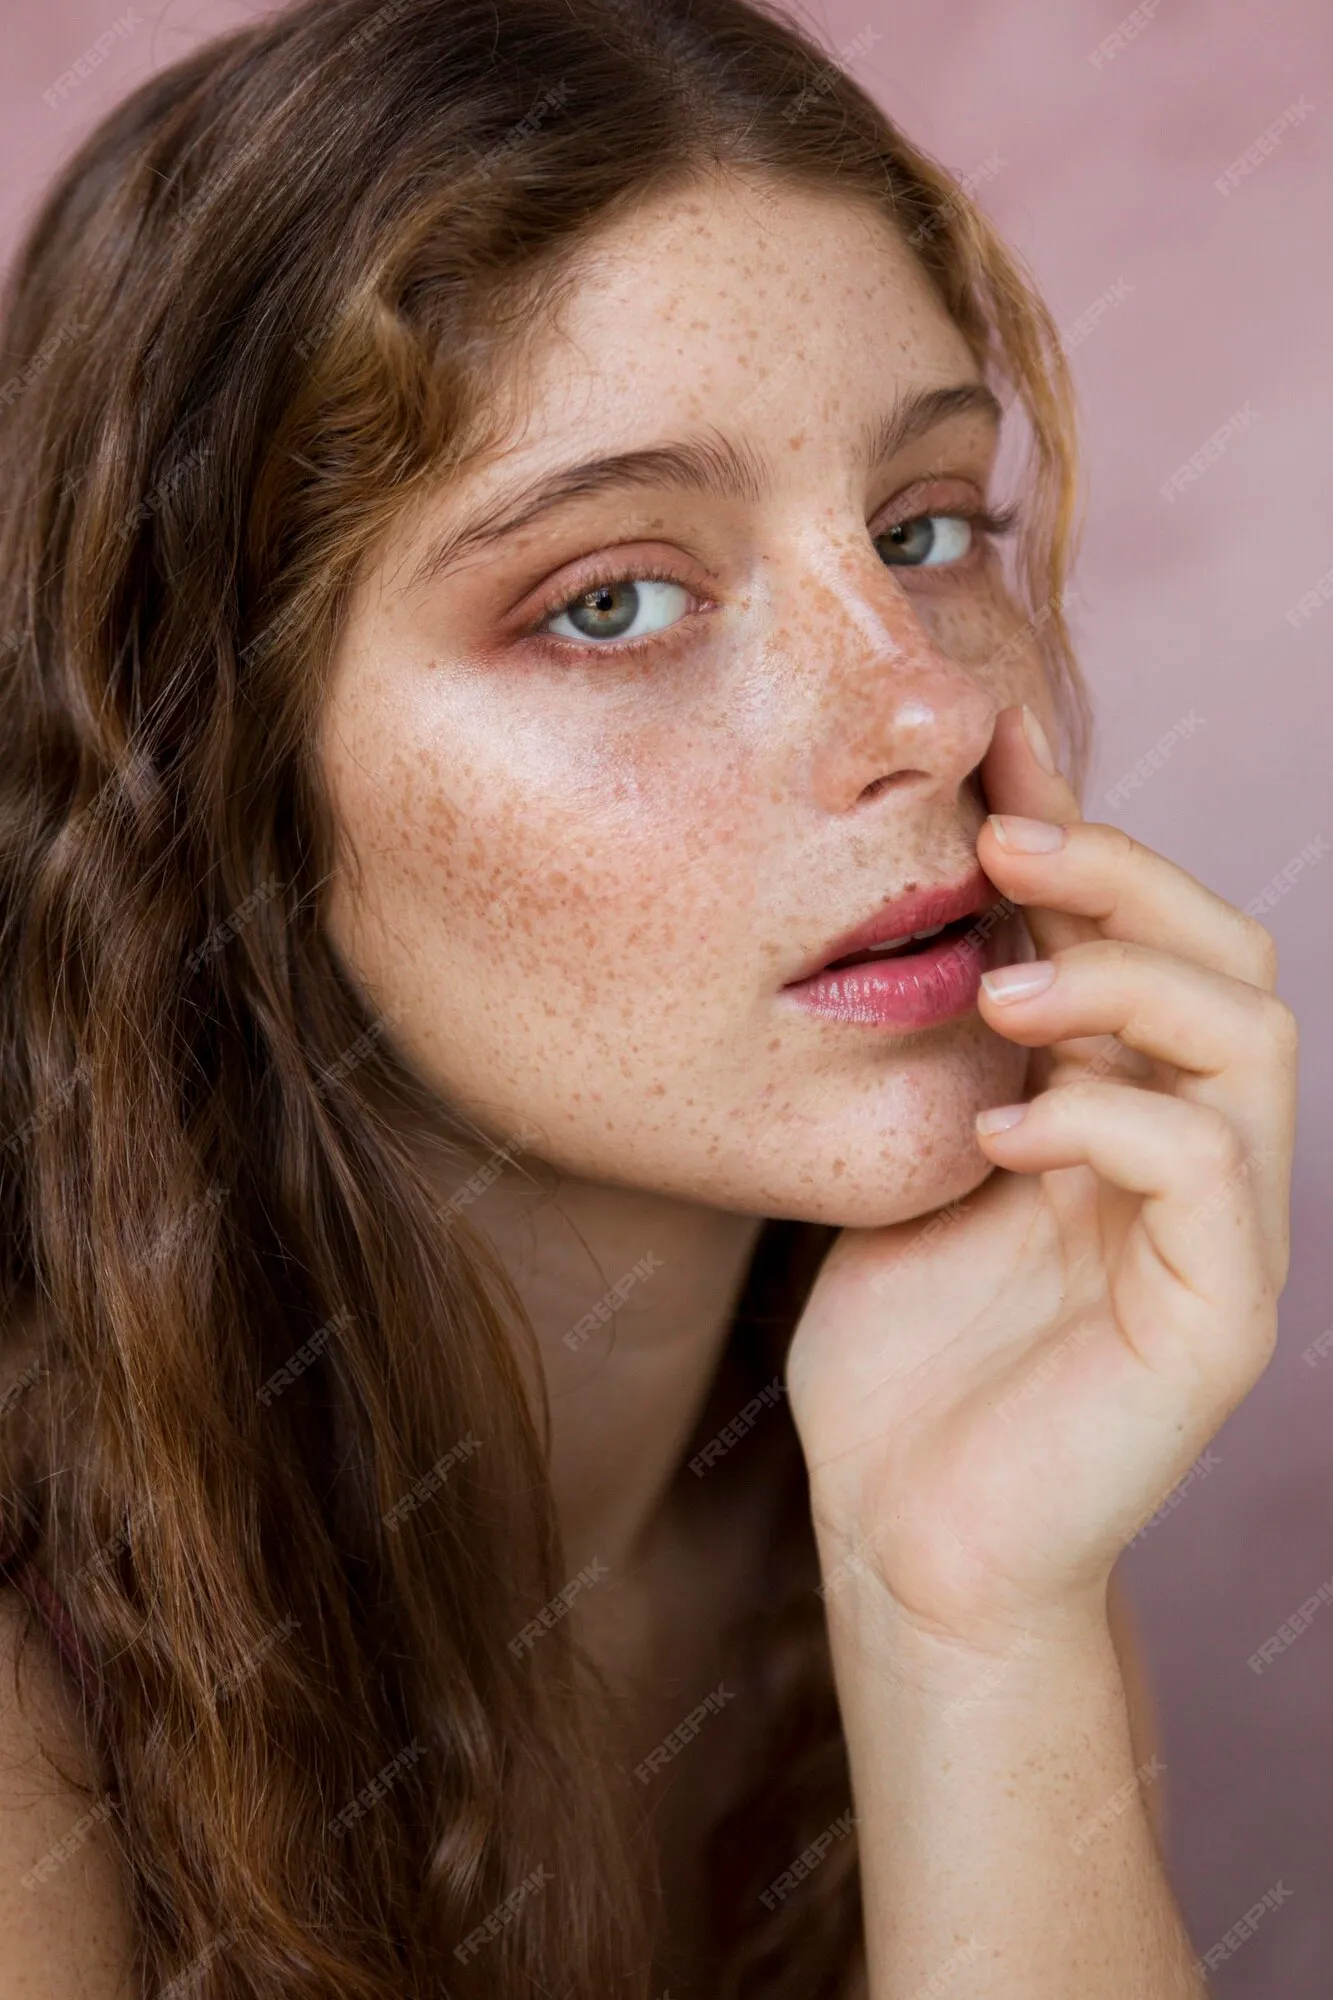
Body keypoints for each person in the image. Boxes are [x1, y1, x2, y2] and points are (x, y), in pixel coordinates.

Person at [0, 0, 1296, 1993]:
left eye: (926, 528)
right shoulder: (37, 1684)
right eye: (612, 600)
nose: (928, 708)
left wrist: (969, 1616)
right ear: (211, 778)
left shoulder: (937, 1417)